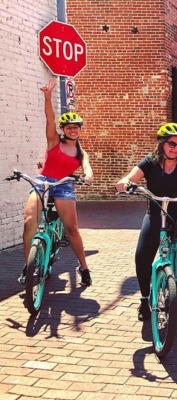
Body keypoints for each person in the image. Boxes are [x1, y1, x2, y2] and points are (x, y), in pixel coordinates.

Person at [115, 123, 177, 322]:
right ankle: (144, 299)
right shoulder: (149, 163)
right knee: (142, 255)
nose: (175, 148)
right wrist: (125, 182)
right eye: (171, 144)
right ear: (162, 143)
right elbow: (131, 176)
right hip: (156, 213)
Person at [20, 79, 94, 286]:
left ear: (79, 129)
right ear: (63, 129)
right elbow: (49, 119)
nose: (73, 130)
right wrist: (47, 97)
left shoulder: (80, 151)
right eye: (69, 127)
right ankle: (29, 266)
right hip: (43, 181)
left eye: (76, 127)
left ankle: (84, 267)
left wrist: (88, 175)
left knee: (72, 230)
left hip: (64, 185)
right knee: (29, 223)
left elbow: (87, 166)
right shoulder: (54, 141)